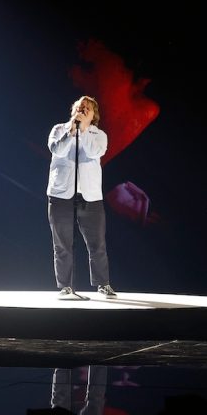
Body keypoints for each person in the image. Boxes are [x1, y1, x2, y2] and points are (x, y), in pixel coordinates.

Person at [47, 95, 117, 298]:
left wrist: (84, 130)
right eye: (80, 106)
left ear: (94, 115)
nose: (83, 109)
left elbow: (96, 152)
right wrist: (73, 131)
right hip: (61, 194)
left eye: (88, 108)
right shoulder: (59, 129)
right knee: (62, 243)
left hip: (90, 196)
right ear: (73, 110)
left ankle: (103, 284)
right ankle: (65, 286)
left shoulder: (99, 135)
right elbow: (57, 150)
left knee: (97, 243)